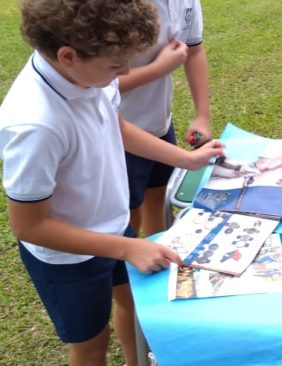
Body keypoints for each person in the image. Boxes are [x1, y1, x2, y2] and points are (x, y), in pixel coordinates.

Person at [0, 1, 224, 365]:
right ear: (68, 55)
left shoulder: (87, 75)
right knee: (91, 345)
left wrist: (187, 159)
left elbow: (119, 129)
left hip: (115, 228)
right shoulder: (34, 125)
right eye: (116, 65)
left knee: (135, 308)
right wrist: (125, 248)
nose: (127, 71)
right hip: (68, 258)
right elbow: (29, 224)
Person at [119, 0, 211, 237]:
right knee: (128, 217)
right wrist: (158, 69)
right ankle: (124, 272)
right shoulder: (113, 8)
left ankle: (156, 262)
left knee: (158, 200)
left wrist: (202, 115)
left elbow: (194, 50)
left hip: (159, 123)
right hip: (119, 134)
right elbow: (98, 83)